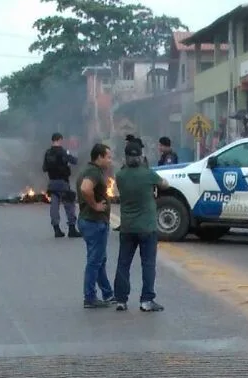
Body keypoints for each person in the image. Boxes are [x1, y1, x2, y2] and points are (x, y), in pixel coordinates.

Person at [113, 142, 169, 312]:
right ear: (141, 157)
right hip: (147, 227)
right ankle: (146, 300)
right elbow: (165, 184)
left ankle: (121, 300)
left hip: (128, 227)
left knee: (123, 264)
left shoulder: (120, 176)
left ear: (126, 158)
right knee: (148, 264)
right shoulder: (148, 174)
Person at [76, 143, 115, 309]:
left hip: (91, 221)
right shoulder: (93, 172)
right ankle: (90, 297)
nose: (110, 160)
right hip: (94, 222)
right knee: (94, 261)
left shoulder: (90, 170)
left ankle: (107, 293)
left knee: (100, 259)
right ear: (99, 157)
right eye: (108, 157)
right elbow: (86, 189)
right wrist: (95, 206)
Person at [43, 132, 82, 238]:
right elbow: (74, 161)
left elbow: (44, 168)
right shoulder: (63, 152)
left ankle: (56, 230)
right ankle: (72, 229)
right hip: (63, 182)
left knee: (54, 206)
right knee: (69, 205)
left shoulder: (47, 153)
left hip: (52, 182)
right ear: (60, 140)